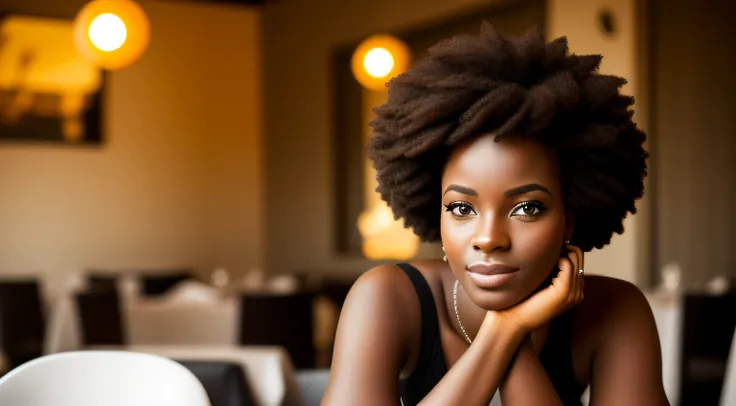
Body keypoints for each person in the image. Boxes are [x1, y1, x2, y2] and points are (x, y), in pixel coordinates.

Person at [322, 23, 668, 406]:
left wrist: (512, 335)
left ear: (568, 220)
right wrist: (506, 327)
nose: (488, 238)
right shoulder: (385, 297)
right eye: (461, 208)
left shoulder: (616, 310)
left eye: (527, 208)